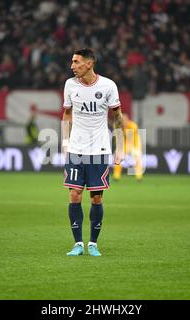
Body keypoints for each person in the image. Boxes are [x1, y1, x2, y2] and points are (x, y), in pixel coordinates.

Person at [61, 48, 124, 257]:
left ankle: (93, 244)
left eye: (76, 62)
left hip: (99, 149)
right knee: (74, 194)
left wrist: (120, 147)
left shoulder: (108, 86)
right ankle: (78, 243)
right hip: (76, 149)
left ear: (89, 64)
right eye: (72, 62)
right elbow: (67, 114)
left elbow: (118, 116)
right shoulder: (70, 85)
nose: (72, 66)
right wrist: (64, 142)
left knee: (96, 197)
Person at [112, 113, 144, 181]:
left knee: (137, 157)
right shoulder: (117, 126)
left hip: (135, 143)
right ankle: (116, 176)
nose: (123, 121)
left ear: (128, 120)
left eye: (124, 120)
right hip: (124, 143)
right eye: (122, 120)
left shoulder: (133, 125)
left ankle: (139, 176)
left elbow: (130, 139)